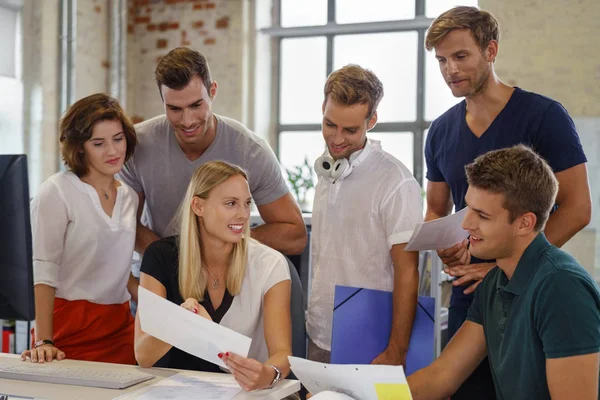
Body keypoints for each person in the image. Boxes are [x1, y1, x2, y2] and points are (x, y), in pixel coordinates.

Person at [424, 6, 591, 398]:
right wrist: (446, 243)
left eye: (461, 56)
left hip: (526, 284)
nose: (450, 70)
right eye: (442, 61)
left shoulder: (544, 116)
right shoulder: (441, 131)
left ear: (491, 50)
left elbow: (579, 208)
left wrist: (512, 268)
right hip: (469, 291)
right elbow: (436, 209)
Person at [408, 145, 600, 400]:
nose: (466, 224)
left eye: (482, 216)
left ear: (524, 223)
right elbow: (441, 376)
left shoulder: (562, 288)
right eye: (468, 209)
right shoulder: (495, 282)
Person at [118, 47, 307, 287]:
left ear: (213, 91)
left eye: (196, 105)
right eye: (174, 109)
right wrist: (173, 257)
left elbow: (295, 235)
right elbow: (126, 225)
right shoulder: (137, 145)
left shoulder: (251, 151)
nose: (187, 121)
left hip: (228, 282)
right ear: (163, 101)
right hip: (159, 280)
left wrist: (225, 242)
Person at [134, 161, 292, 392]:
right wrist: (182, 323)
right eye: (231, 204)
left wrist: (268, 374)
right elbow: (143, 355)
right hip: (173, 391)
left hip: (243, 393)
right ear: (198, 206)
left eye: (247, 204)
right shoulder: (159, 256)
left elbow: (282, 354)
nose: (244, 214)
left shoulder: (270, 263)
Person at [306, 65, 423, 366]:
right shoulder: (326, 172)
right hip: (318, 333)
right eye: (330, 124)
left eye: (350, 130)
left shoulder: (396, 182)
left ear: (372, 120)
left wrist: (396, 352)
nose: (337, 139)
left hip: (371, 339)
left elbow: (408, 273)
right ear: (323, 108)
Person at [21, 93, 139, 364]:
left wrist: (166, 308)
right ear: (80, 147)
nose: (113, 151)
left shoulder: (130, 197)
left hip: (120, 328)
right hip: (66, 329)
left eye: (118, 139)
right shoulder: (56, 192)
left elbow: (121, 271)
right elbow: (43, 271)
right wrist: (43, 340)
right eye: (99, 143)